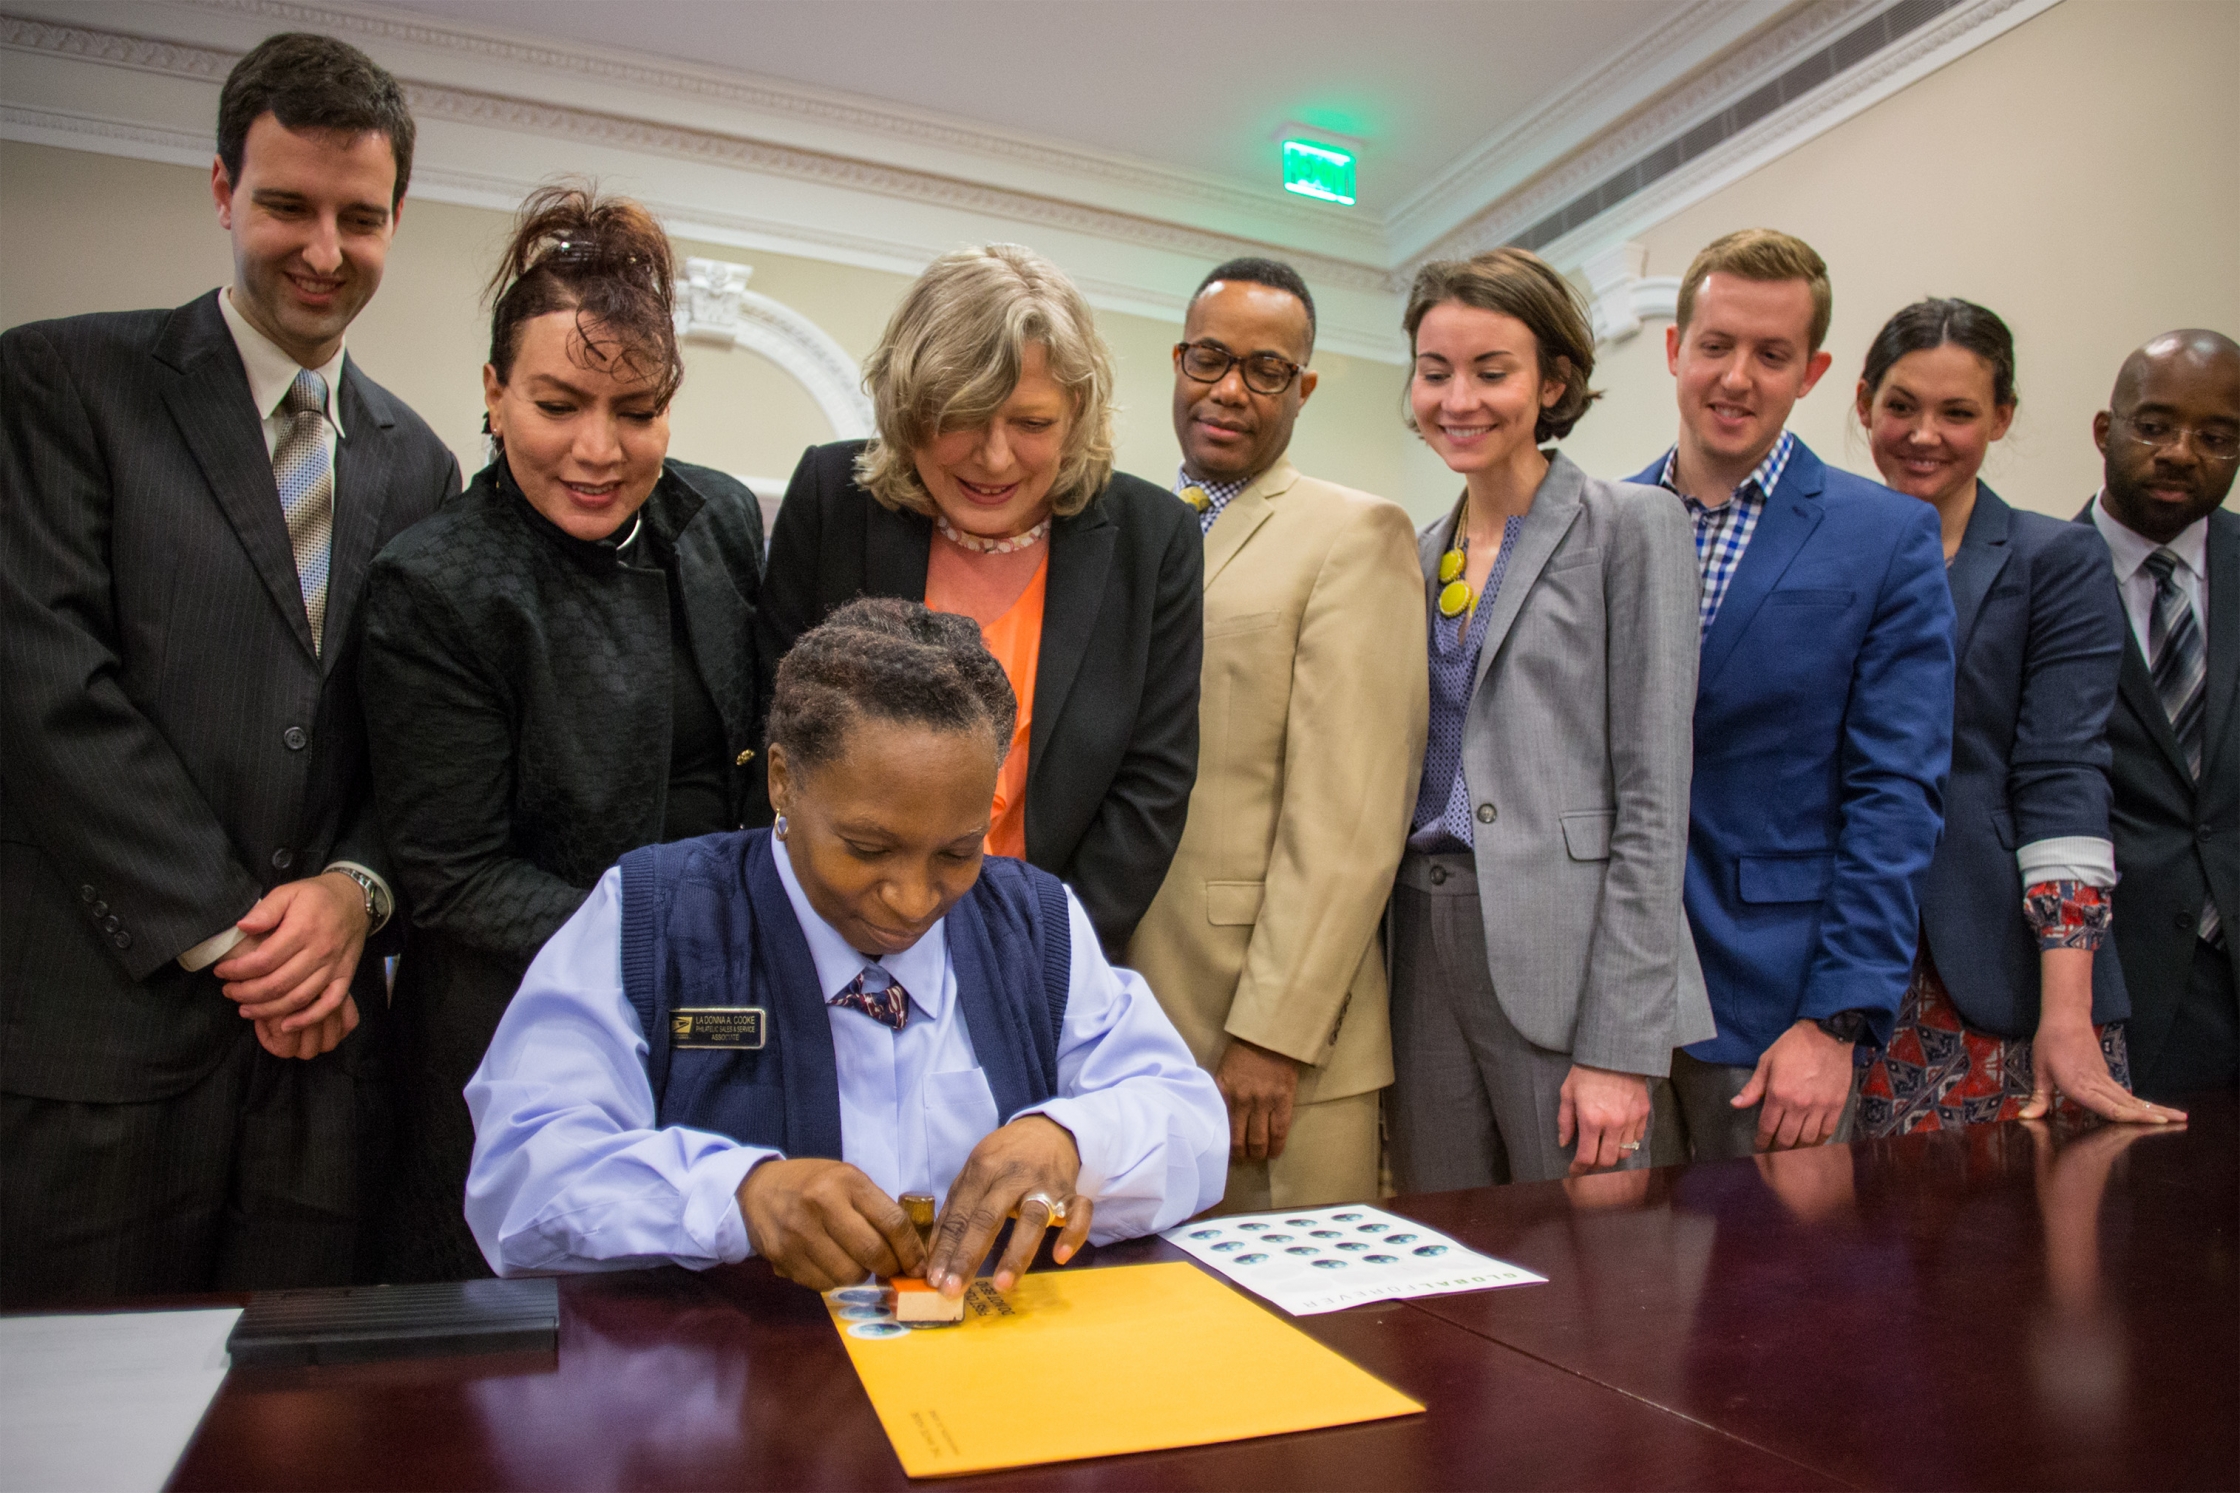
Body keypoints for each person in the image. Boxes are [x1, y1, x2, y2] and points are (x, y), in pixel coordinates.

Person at [0, 34, 459, 1303]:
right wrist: (242, 937)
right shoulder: (62, 382)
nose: (324, 249)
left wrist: (357, 892)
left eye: (359, 217)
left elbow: (414, 739)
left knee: (287, 1431)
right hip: (101, 1040)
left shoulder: (419, 466)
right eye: (286, 205)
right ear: (220, 191)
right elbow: (46, 690)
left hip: (321, 1071)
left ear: (396, 218)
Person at [464, 599, 1227, 1287]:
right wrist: (739, 1195)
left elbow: (1189, 1120)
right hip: (737, 1393)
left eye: (958, 852)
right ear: (782, 780)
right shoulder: (652, 916)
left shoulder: (1033, 922)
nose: (912, 896)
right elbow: (523, 1170)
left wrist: (1070, 1135)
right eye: (866, 848)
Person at [358, 187, 766, 1281]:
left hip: (716, 1019)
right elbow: (452, 876)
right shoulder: (437, 583)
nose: (599, 448)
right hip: (519, 1026)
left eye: (636, 410)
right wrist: (678, 947)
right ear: (493, 394)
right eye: (558, 403)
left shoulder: (717, 516)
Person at [756, 244, 1202, 958]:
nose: (995, 458)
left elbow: (1152, 784)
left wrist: (1048, 954)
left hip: (1042, 945)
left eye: (1031, 424)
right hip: (827, 932)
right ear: (907, 407)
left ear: (1077, 410)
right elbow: (773, 732)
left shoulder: (1155, 539)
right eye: (963, 416)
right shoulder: (832, 496)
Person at [1626, 229, 1955, 1159]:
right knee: (1609, 1292)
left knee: (1775, 1300)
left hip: (1775, 1008)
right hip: (1610, 1005)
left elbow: (1896, 797)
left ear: (1810, 372)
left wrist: (1835, 1020)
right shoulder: (1600, 523)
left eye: (1772, 356)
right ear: (1674, 349)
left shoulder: (1886, 536)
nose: (1737, 377)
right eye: (1717, 346)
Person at [1386, 248, 1709, 1190]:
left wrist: (1621, 1046)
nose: (1459, 399)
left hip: (1565, 955)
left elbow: (1655, 800)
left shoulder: (1631, 526)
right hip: (1422, 929)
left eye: (1493, 372)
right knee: (1447, 1242)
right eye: (1436, 371)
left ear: (1553, 380)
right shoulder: (1417, 549)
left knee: (1598, 1266)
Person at [1124, 258, 1425, 1211]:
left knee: (1296, 1339)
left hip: (1265, 1042)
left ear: (1303, 388)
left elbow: (1351, 814)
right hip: (1128, 1018)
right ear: (1177, 360)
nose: (1228, 390)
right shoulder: (1126, 531)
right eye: (1209, 358)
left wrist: (1276, 1030)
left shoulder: (1354, 534)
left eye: (1263, 370)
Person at [1849, 298, 2182, 1132]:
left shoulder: (2053, 558)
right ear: (1862, 404)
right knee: (1859, 1254)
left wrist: (2064, 1008)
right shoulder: (1831, 551)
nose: (1925, 433)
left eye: (1957, 412)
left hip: (2011, 968)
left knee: (2032, 1244)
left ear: (2001, 418)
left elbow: (2062, 774)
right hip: (1852, 970)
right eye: (1901, 406)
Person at [2078, 329, 2240, 1103]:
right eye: (2155, 425)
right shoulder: (2038, 572)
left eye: (2216, 437)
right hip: (2111, 982)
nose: (2181, 451)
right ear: (2107, 431)